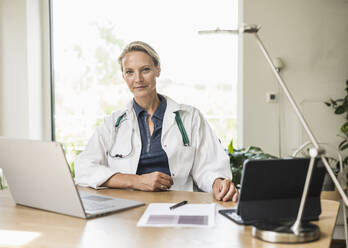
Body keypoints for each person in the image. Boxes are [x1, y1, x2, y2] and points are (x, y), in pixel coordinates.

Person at [74, 41, 238, 202]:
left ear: (157, 70)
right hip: (127, 209)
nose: (138, 79)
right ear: (123, 76)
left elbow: (209, 167)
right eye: (130, 72)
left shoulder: (190, 117)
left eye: (145, 70)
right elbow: (84, 169)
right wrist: (136, 181)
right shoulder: (112, 124)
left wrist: (217, 182)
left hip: (178, 205)